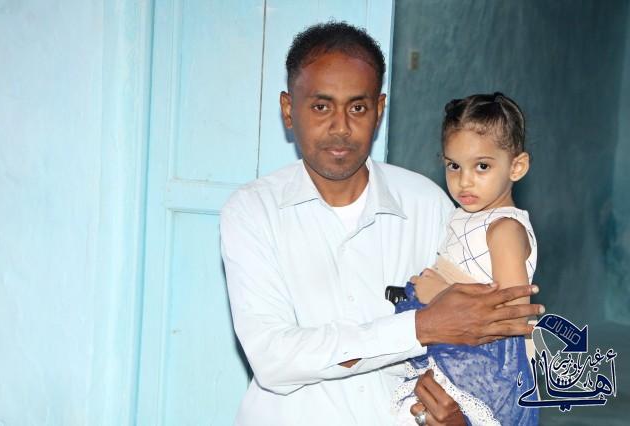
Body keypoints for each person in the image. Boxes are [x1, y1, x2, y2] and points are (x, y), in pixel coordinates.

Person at [220, 22, 543, 426]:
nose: (341, 127)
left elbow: (488, 332)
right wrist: (421, 326)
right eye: (321, 107)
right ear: (289, 109)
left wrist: (460, 420)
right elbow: (274, 359)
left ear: (379, 110)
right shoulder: (252, 211)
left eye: (357, 107)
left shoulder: (428, 204)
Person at [393, 93, 539, 425]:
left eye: (482, 166)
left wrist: (442, 294)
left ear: (516, 167)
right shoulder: (465, 215)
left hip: (488, 360)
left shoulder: (504, 229)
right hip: (457, 346)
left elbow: (513, 316)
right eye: (454, 166)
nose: (464, 181)